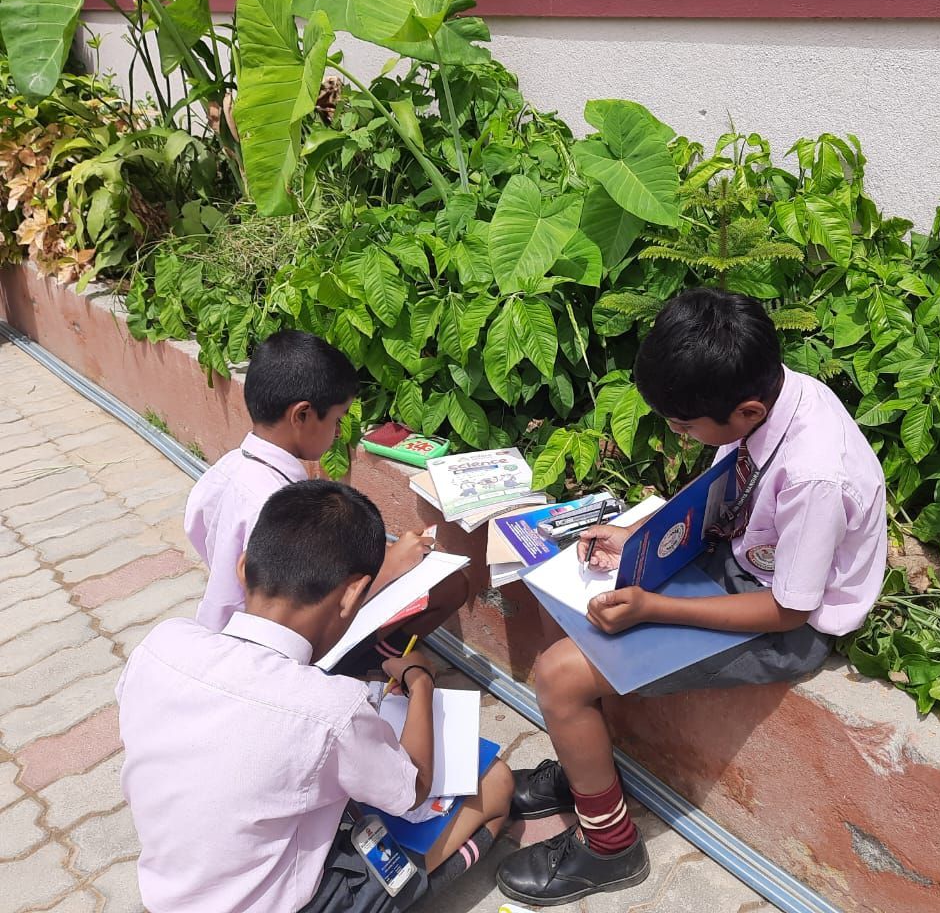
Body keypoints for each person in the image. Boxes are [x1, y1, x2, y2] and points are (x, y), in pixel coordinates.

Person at [496, 288, 887, 906]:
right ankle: (582, 771)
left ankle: (610, 845)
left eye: (683, 426)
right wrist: (638, 537)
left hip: (783, 623)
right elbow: (727, 488)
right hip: (740, 560)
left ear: (747, 410)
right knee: (572, 596)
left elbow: (789, 609)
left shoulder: (816, 476)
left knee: (559, 676)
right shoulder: (775, 394)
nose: (677, 434)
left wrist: (655, 608)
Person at [117, 480, 514, 912]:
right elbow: (413, 788)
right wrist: (420, 682)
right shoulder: (330, 709)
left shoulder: (162, 644)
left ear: (244, 568)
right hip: (278, 903)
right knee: (495, 786)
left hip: (171, 889)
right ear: (352, 594)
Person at [185, 330, 459, 646]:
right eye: (337, 419)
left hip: (226, 630)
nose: (340, 432)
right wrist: (392, 565)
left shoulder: (226, 469)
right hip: (273, 646)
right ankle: (370, 662)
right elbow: (309, 607)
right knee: (450, 587)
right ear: (302, 415)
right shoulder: (278, 507)